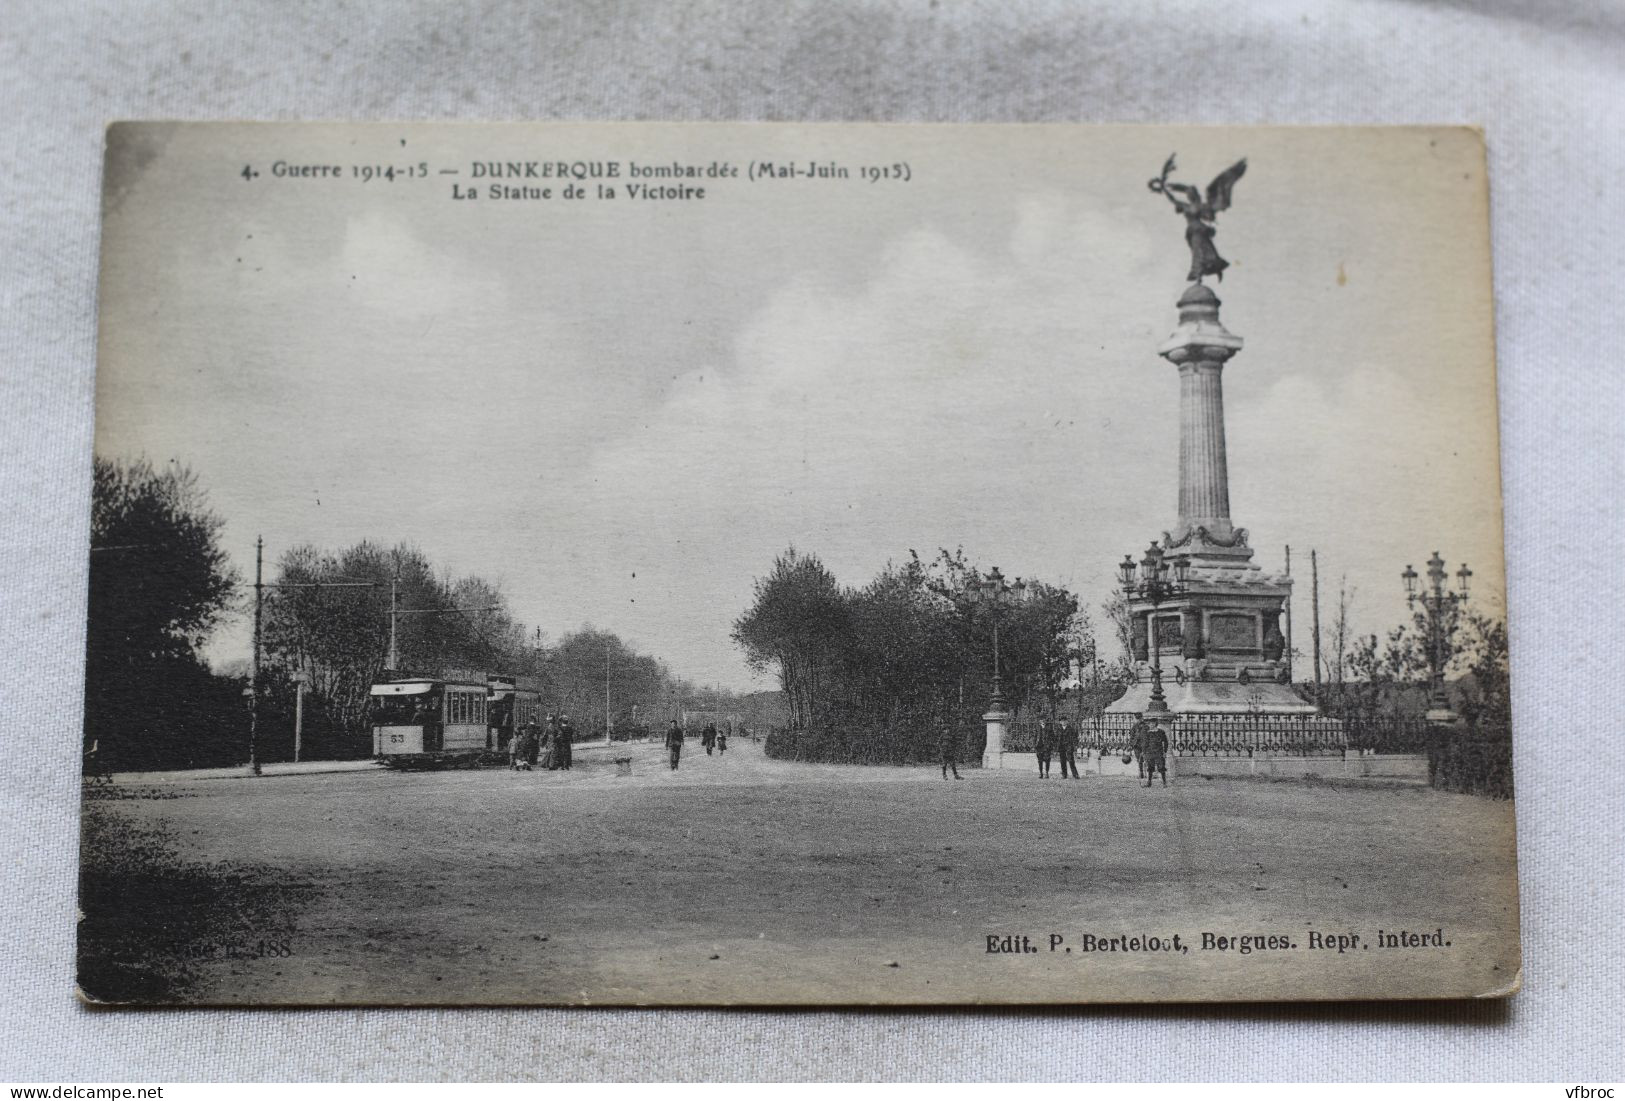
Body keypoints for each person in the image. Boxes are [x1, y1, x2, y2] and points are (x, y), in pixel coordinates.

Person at [1143, 722, 1170, 787]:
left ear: (1154, 724)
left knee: (1161, 767)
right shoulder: (1147, 733)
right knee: (1150, 768)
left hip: (1159, 752)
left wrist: (1165, 751)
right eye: (1149, 724)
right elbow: (1145, 744)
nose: (1150, 725)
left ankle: (1164, 783)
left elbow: (1165, 742)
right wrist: (1144, 753)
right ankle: (1149, 783)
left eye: (1151, 723)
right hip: (1150, 752)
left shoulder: (1161, 732)